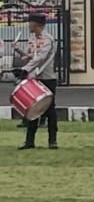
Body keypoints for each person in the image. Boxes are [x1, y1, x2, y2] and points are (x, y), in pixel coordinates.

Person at [15, 13, 58, 150]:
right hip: (35, 77)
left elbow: (41, 57)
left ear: (37, 24)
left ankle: (52, 141)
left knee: (50, 109)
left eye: (30, 22)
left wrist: (25, 69)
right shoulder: (32, 38)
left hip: (47, 78)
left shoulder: (47, 39)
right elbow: (31, 56)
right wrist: (20, 53)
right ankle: (29, 141)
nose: (29, 25)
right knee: (32, 108)